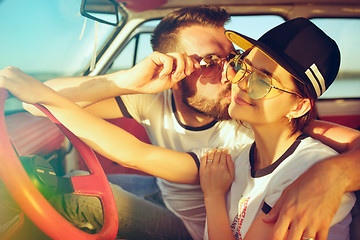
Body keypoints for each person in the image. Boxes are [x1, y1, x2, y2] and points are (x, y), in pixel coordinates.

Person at [14, 6, 360, 240]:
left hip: (193, 225)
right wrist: (125, 81)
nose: (232, 75)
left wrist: (332, 174)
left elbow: (326, 144)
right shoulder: (240, 156)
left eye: (231, 60)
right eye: (211, 61)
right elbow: (134, 153)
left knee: (74, 196)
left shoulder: (268, 139)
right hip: (174, 197)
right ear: (175, 68)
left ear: (298, 106)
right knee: (78, 181)